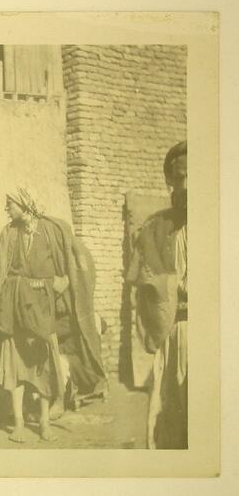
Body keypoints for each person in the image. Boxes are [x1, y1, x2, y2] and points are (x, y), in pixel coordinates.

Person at [0, 188, 101, 443]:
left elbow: (77, 262)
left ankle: (44, 423)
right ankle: (19, 424)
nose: (6, 210)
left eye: (9, 204)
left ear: (24, 204)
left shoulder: (52, 230)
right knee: (16, 369)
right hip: (15, 308)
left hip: (43, 310)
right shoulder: (8, 233)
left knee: (43, 369)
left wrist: (65, 282)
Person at [127, 141, 187, 449]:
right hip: (174, 333)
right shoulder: (156, 228)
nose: (189, 185)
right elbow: (141, 295)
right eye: (181, 177)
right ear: (170, 182)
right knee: (169, 419)